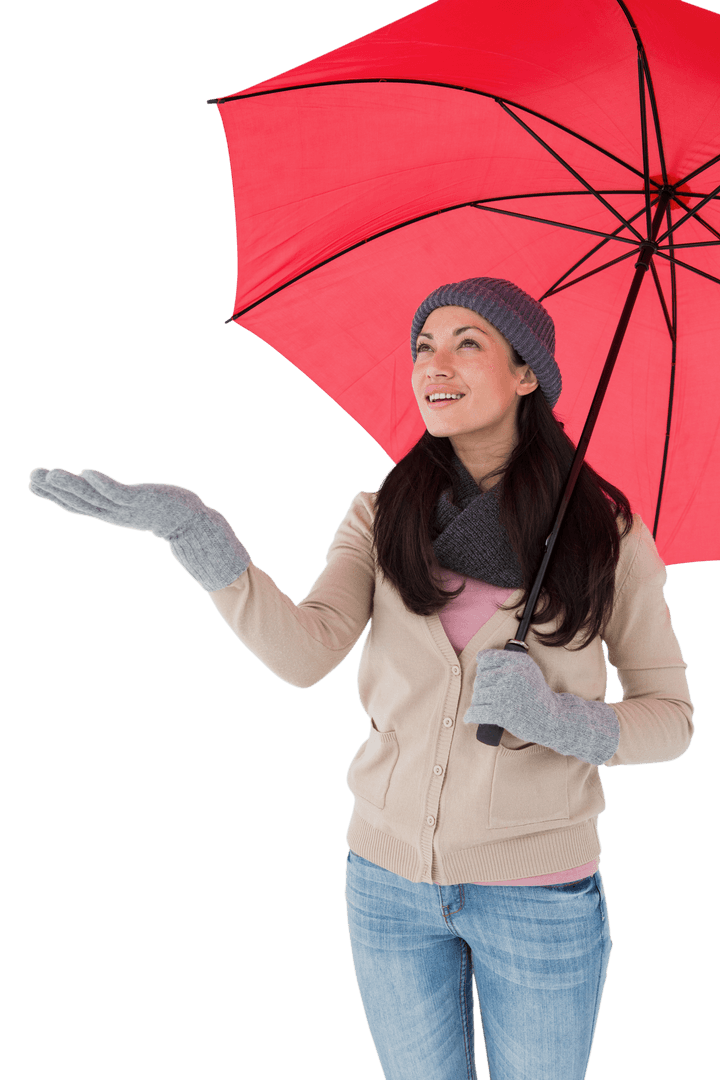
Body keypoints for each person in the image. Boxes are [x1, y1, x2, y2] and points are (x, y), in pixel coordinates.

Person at [28, 277, 694, 1080]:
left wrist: (565, 721)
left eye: (466, 344)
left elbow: (674, 717)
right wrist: (198, 537)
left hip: (538, 897)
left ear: (529, 375)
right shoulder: (381, 515)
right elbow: (306, 654)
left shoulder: (604, 534)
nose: (433, 365)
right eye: (423, 346)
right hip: (387, 889)